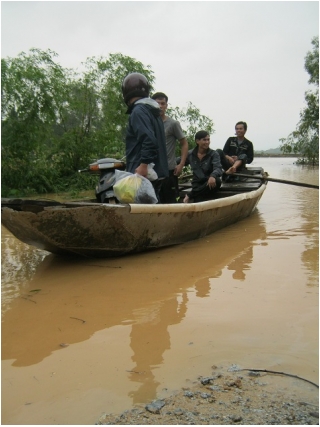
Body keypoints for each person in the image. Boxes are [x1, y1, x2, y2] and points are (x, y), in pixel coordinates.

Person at [122, 73, 169, 202]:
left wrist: (143, 165)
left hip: (143, 173)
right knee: (152, 208)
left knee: (142, 212)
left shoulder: (138, 111)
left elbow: (149, 140)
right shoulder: (153, 112)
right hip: (155, 171)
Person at [151, 92, 188, 203]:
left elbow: (184, 143)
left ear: (166, 105)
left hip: (169, 170)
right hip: (152, 169)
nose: (160, 106)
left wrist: (181, 164)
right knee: (153, 201)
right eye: (158, 103)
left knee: (170, 201)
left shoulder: (173, 124)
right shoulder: (148, 122)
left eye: (163, 103)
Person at [182, 131, 222, 203]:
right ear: (197, 141)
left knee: (217, 181)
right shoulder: (190, 154)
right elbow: (178, 161)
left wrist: (213, 176)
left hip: (209, 182)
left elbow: (218, 168)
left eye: (208, 139)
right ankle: (194, 194)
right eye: (204, 140)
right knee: (199, 199)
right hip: (197, 184)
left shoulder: (213, 154)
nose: (207, 142)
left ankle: (190, 195)